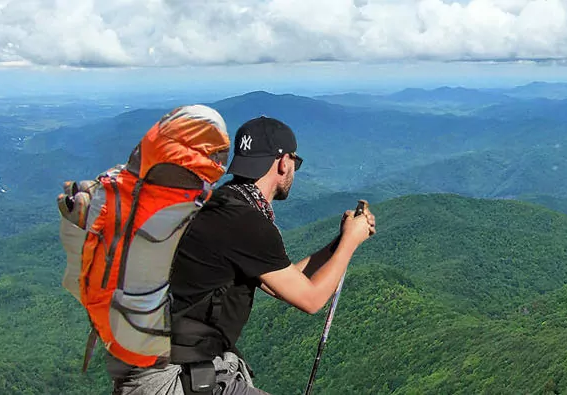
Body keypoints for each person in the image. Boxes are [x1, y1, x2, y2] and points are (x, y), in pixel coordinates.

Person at [107, 116, 377, 394]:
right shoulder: (246, 223)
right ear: (283, 162)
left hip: (147, 366)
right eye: (295, 161)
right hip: (168, 377)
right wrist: (351, 242)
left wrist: (339, 243)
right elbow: (311, 300)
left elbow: (287, 282)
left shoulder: (221, 203)